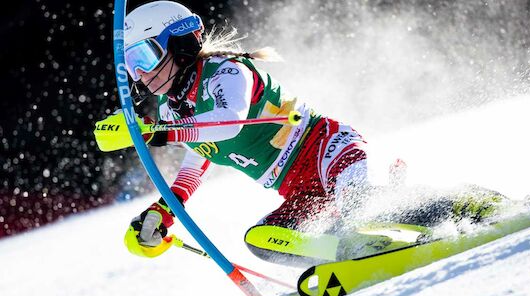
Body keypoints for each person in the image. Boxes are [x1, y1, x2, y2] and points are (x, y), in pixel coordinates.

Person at [109, 1, 500, 267]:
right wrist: (162, 211)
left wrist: (158, 133)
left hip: (329, 153)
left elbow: (229, 122)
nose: (139, 74)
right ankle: (353, 254)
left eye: (143, 57)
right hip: (301, 191)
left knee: (361, 206)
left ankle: (464, 204)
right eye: (130, 65)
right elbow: (197, 162)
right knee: (263, 240)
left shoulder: (227, 71)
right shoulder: (171, 111)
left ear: (177, 44)